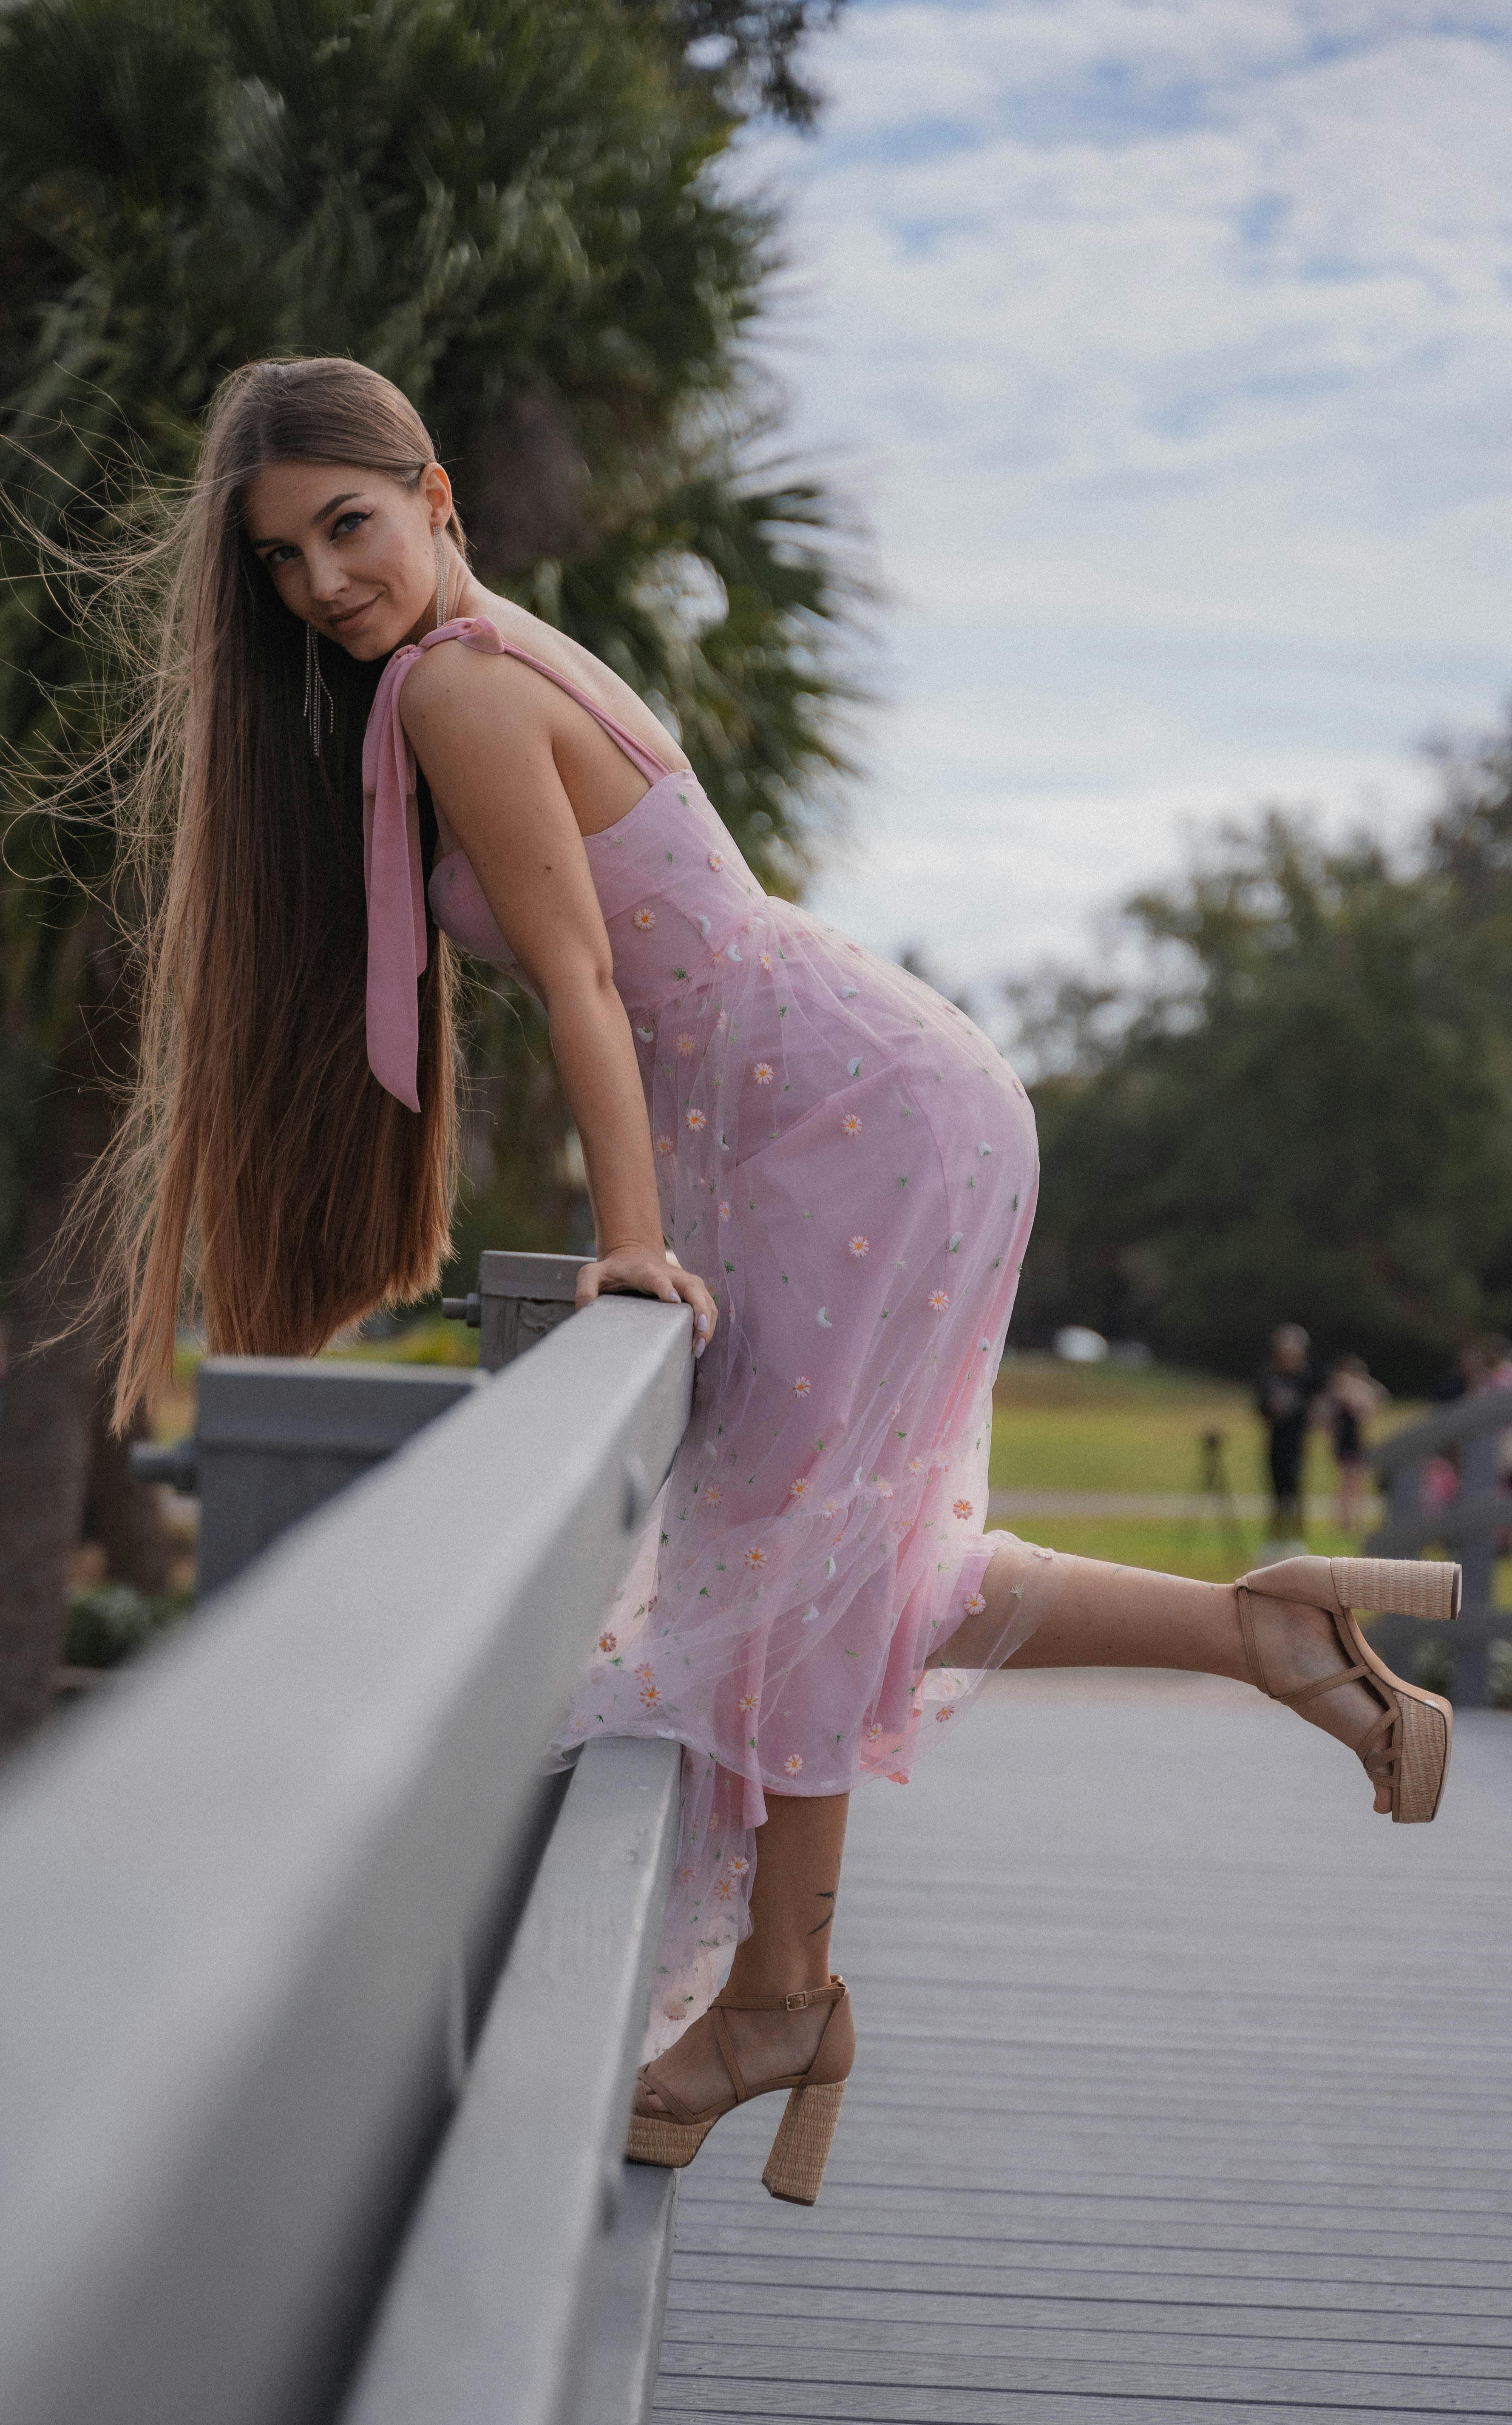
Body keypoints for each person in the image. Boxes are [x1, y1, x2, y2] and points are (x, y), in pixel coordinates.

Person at [100, 358, 1461, 2210]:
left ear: (435, 497)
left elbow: (582, 977)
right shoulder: (478, 662)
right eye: (279, 559)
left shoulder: (458, 687)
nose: (323, 582)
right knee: (827, 1556)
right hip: (841, 1103)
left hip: (838, 1118)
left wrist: (634, 1237)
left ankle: (778, 1995)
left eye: (348, 525)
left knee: (789, 1558)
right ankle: (1265, 1631)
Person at [1256, 1323, 1318, 1543]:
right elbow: (1261, 1408)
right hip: (1276, 1440)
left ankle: (1298, 1536)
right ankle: (1275, 1535)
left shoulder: (1307, 1377)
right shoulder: (1270, 1376)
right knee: (1276, 1489)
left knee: (1295, 1488)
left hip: (1297, 1441)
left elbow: (1316, 1407)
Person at [1320, 1353, 1388, 1537]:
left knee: (1357, 1481)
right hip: (1345, 1440)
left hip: (1357, 1439)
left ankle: (1353, 1518)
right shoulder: (1340, 1392)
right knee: (1347, 1481)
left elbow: (1377, 1400)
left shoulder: (1355, 1391)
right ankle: (1345, 1519)